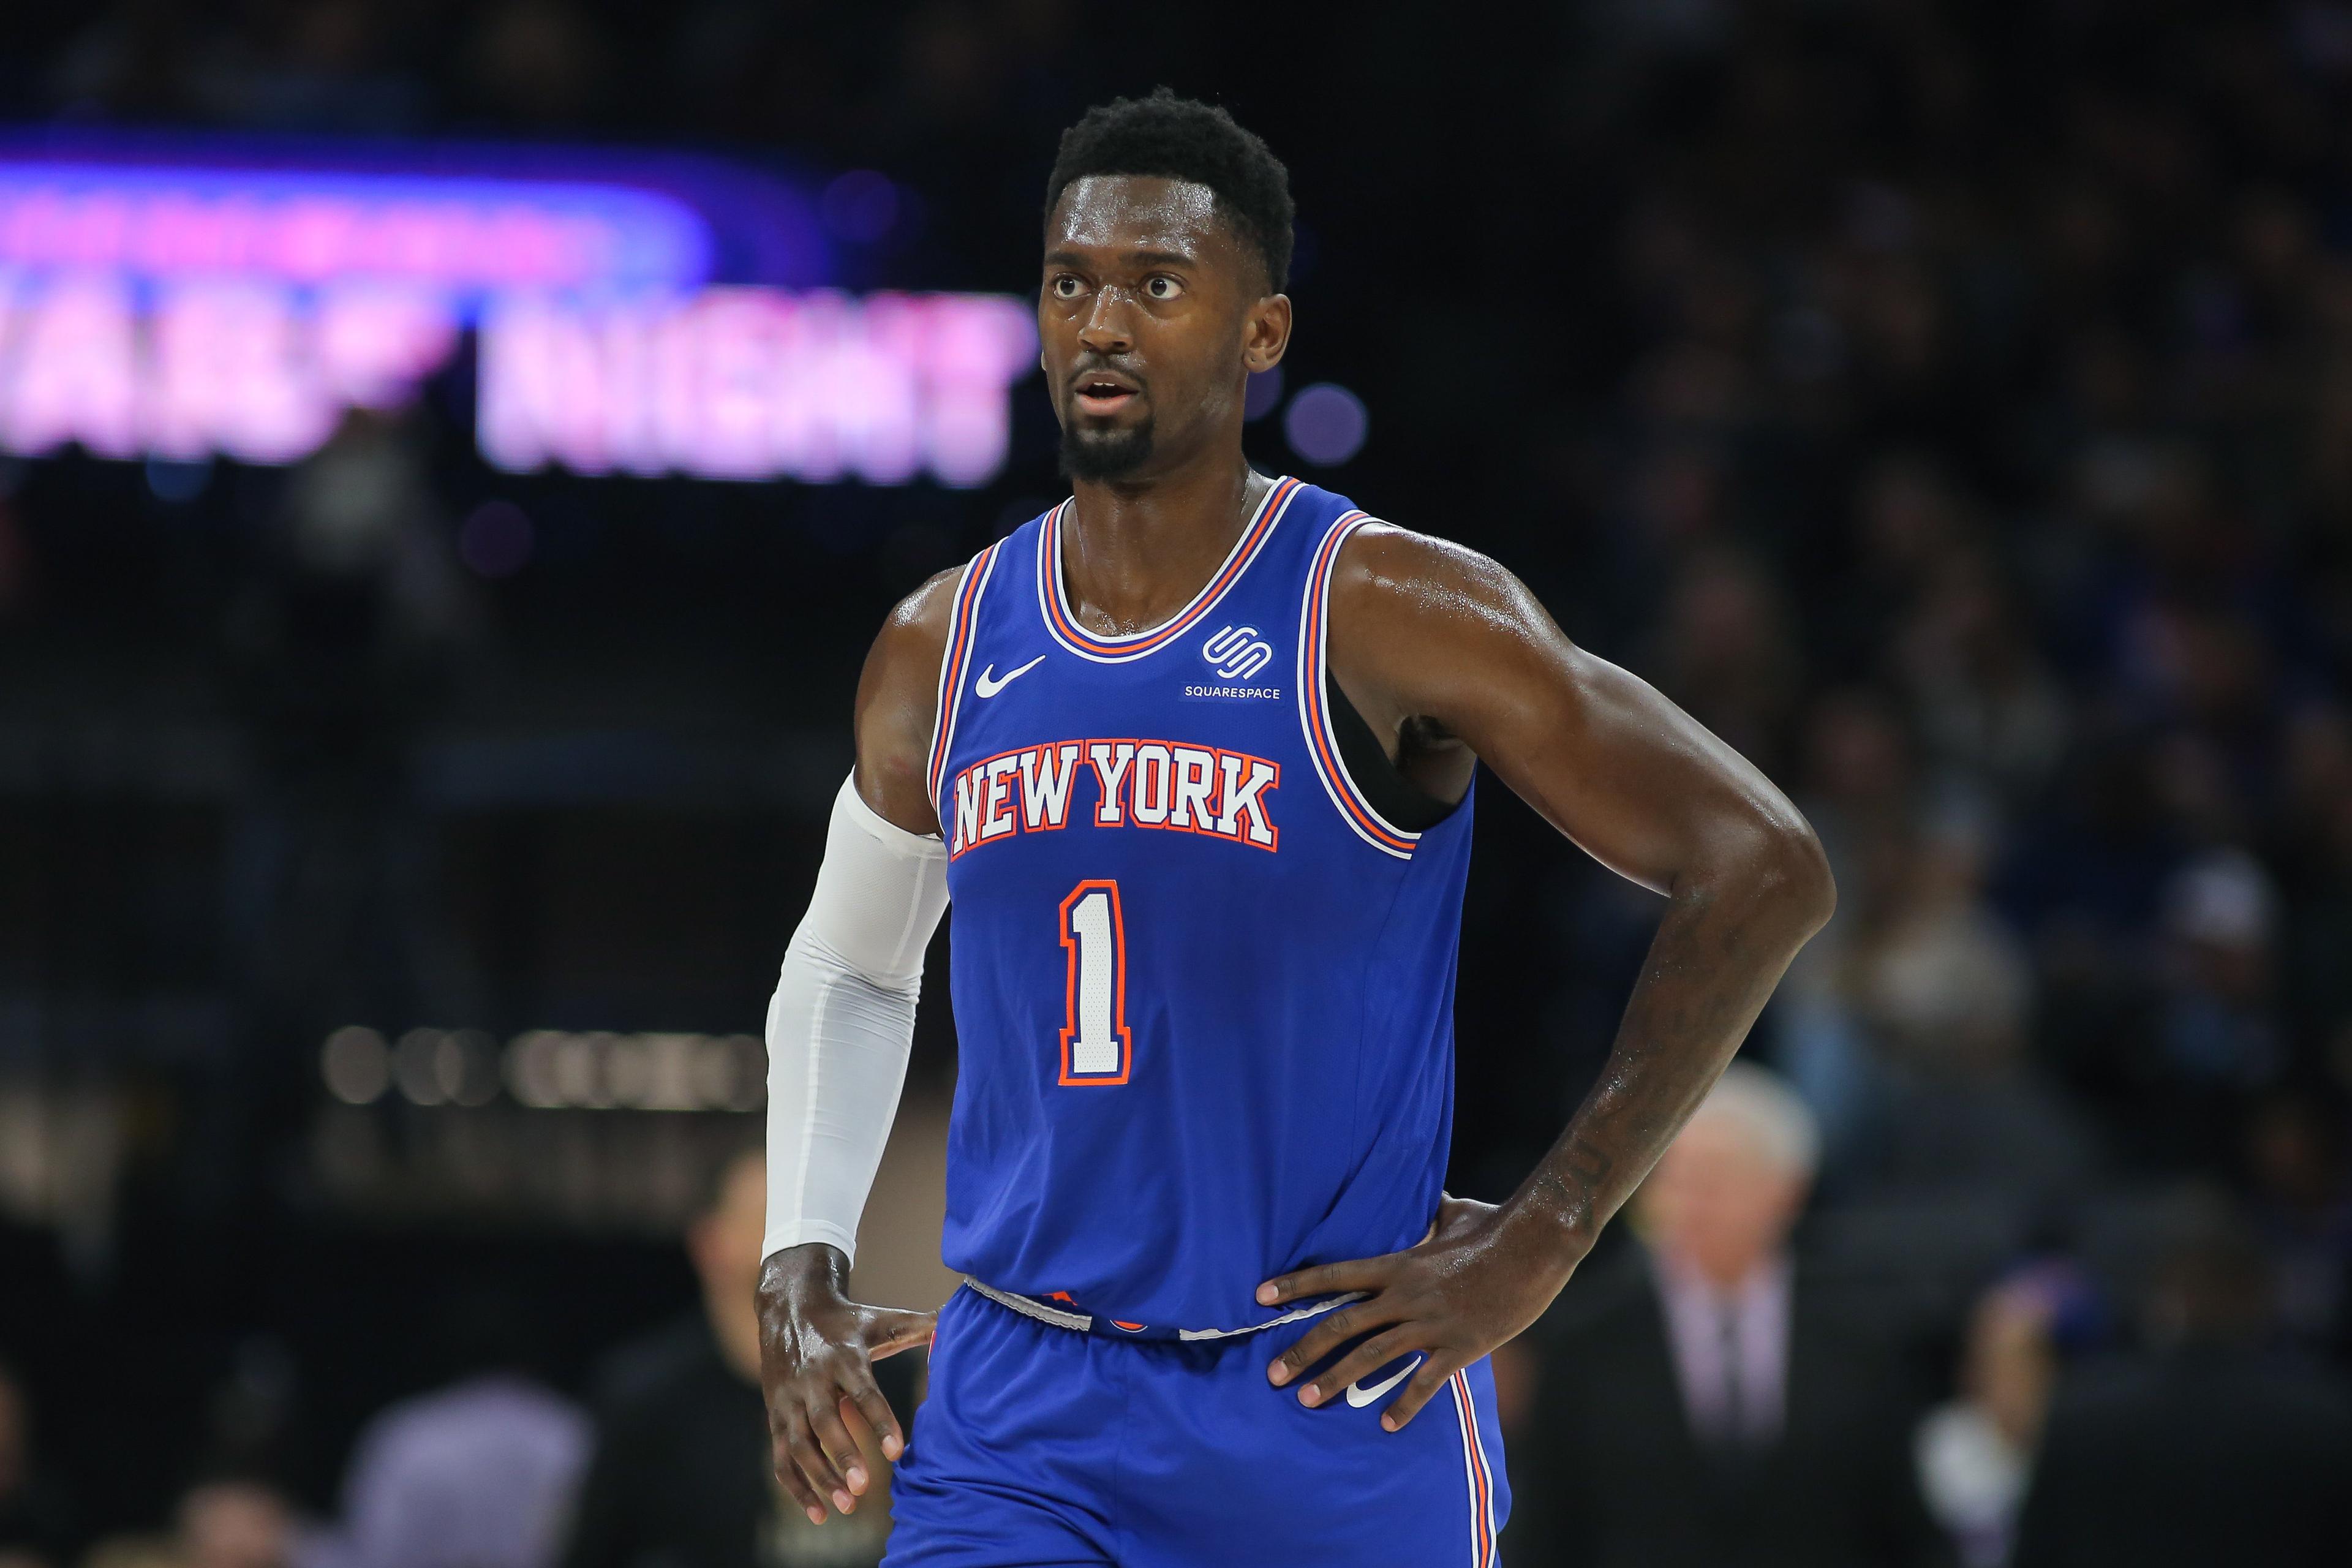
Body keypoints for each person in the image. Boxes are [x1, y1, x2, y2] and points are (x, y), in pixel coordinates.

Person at [755, 90, 1836, 1567]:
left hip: (1318, 1392)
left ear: (1260, 334)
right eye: (1070, 283)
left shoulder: (1386, 607)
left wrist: (1547, 1231)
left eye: (1156, 285)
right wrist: (799, 1255)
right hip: (1024, 1400)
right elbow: (852, 963)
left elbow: (1760, 862)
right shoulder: (940, 641)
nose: (1102, 325)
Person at [1505, 1065, 1948, 1567]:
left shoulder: (1866, 1337)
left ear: (1787, 1190)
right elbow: (1546, 1532)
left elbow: (1908, 1528)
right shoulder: (1583, 1341)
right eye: (1672, 1180)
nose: (1688, 1203)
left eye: (1715, 1178)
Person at [564, 1148, 908, 1568]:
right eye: (773, 1220)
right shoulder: (648, 1399)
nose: (801, 1242)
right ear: (710, 1244)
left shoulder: (890, 1377)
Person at [2010, 1202, 2352, 1567]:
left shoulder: (2082, 1415)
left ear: (2162, 1297)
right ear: (2262, 1298)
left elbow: (2036, 1554)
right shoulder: (2324, 1422)